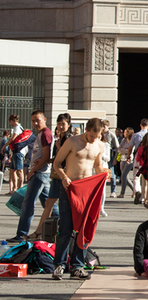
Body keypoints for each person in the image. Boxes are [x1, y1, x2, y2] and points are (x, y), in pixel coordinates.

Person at [50, 117, 107, 280]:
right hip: (70, 187)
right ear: (86, 130)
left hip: (86, 189)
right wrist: (63, 177)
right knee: (66, 228)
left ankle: (77, 266)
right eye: (91, 136)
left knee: (84, 229)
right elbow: (57, 163)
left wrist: (103, 172)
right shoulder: (72, 141)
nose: (93, 139)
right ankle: (59, 265)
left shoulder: (99, 145)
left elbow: (97, 166)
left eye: (96, 136)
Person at [13, 110, 52, 242]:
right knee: (49, 204)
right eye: (33, 121)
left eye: (38, 120)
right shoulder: (41, 133)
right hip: (41, 173)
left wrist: (32, 170)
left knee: (28, 204)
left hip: (40, 173)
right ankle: (63, 222)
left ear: (45, 119)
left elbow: (46, 156)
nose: (35, 123)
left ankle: (21, 234)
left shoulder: (46, 133)